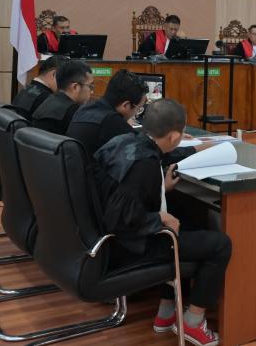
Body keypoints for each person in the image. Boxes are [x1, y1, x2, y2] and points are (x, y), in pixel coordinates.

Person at [94, 99, 230, 346]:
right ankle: (193, 322)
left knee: (188, 217)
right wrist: (158, 217)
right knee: (220, 245)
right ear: (175, 136)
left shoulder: (124, 141)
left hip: (105, 237)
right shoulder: (144, 166)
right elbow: (119, 218)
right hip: (131, 247)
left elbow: (119, 197)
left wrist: (161, 189)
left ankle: (167, 313)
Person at [66, 69, 148, 159]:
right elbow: (142, 151)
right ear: (126, 105)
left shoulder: (84, 109)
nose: (136, 112)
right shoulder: (113, 122)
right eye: (138, 108)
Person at [31, 60, 94, 135]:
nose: (92, 92)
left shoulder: (47, 101)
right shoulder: (75, 114)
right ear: (75, 87)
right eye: (90, 86)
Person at [10, 55, 68, 119]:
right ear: (54, 74)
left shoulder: (25, 90)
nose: (67, 85)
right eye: (66, 79)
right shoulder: (47, 100)